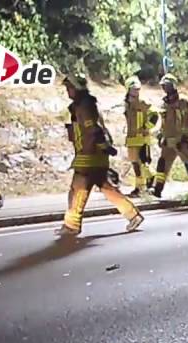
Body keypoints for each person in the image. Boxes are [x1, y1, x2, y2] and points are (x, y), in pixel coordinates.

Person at [58, 74, 143, 237]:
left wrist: (104, 147)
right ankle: (133, 215)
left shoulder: (84, 106)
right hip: (92, 155)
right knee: (107, 188)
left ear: (77, 89)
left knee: (78, 190)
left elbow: (93, 130)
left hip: (89, 155)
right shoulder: (83, 105)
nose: (68, 91)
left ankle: (72, 225)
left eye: (69, 88)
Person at [151, 73, 188, 202]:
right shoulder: (164, 104)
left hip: (182, 141)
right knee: (163, 163)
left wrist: (184, 138)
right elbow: (164, 123)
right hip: (168, 141)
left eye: (168, 85)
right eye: (164, 86)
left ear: (174, 86)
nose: (165, 88)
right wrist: (161, 135)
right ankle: (158, 189)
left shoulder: (183, 103)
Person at [122, 76, 157, 198]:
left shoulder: (143, 103)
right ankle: (139, 188)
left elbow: (154, 115)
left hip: (142, 138)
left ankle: (152, 180)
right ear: (128, 89)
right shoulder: (127, 104)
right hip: (131, 139)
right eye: (134, 89)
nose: (136, 91)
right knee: (135, 164)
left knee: (144, 163)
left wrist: (146, 127)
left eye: (138, 89)